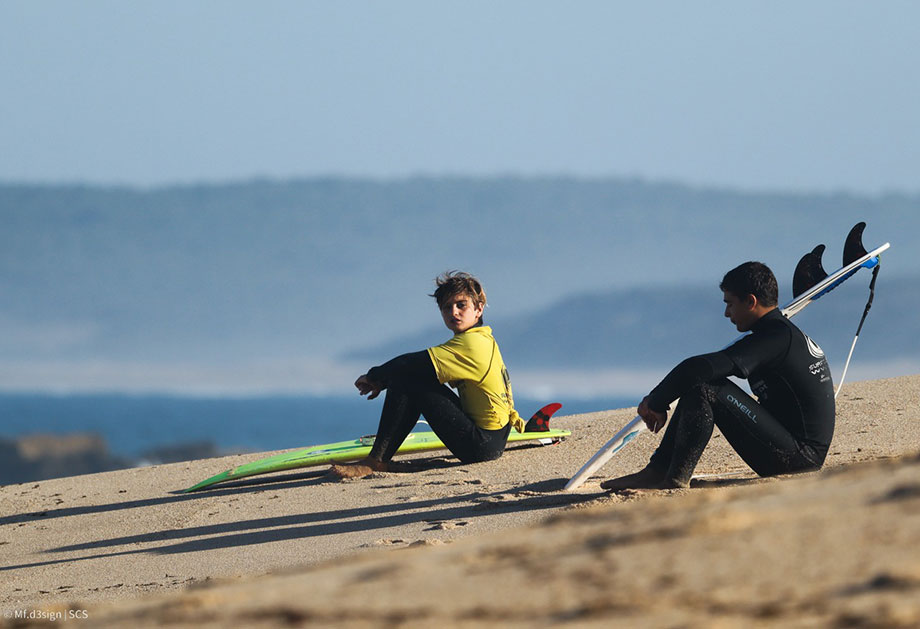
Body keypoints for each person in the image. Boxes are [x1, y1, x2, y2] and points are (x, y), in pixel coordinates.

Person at [602, 261, 835, 491]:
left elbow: (698, 368)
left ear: (751, 302)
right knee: (702, 384)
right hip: (794, 449)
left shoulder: (774, 339)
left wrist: (655, 401)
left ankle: (667, 476)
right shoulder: (779, 334)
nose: (726, 313)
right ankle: (658, 471)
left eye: (730, 304)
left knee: (704, 387)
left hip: (799, 459)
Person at [330, 271, 524, 479]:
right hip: (495, 439)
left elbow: (408, 363)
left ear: (478, 309)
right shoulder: (484, 338)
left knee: (407, 378)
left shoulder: (471, 344)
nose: (454, 312)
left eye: (461, 305)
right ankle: (379, 459)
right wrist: (383, 379)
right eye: (446, 307)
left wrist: (373, 377)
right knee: (412, 376)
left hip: (481, 446)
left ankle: (376, 461)